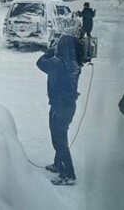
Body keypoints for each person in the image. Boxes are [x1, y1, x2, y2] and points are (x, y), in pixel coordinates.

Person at [36, 34, 82, 185]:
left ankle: (68, 174)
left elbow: (40, 63)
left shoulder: (57, 63)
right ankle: (58, 163)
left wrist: (50, 50)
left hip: (60, 107)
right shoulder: (75, 64)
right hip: (68, 106)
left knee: (59, 140)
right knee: (60, 136)